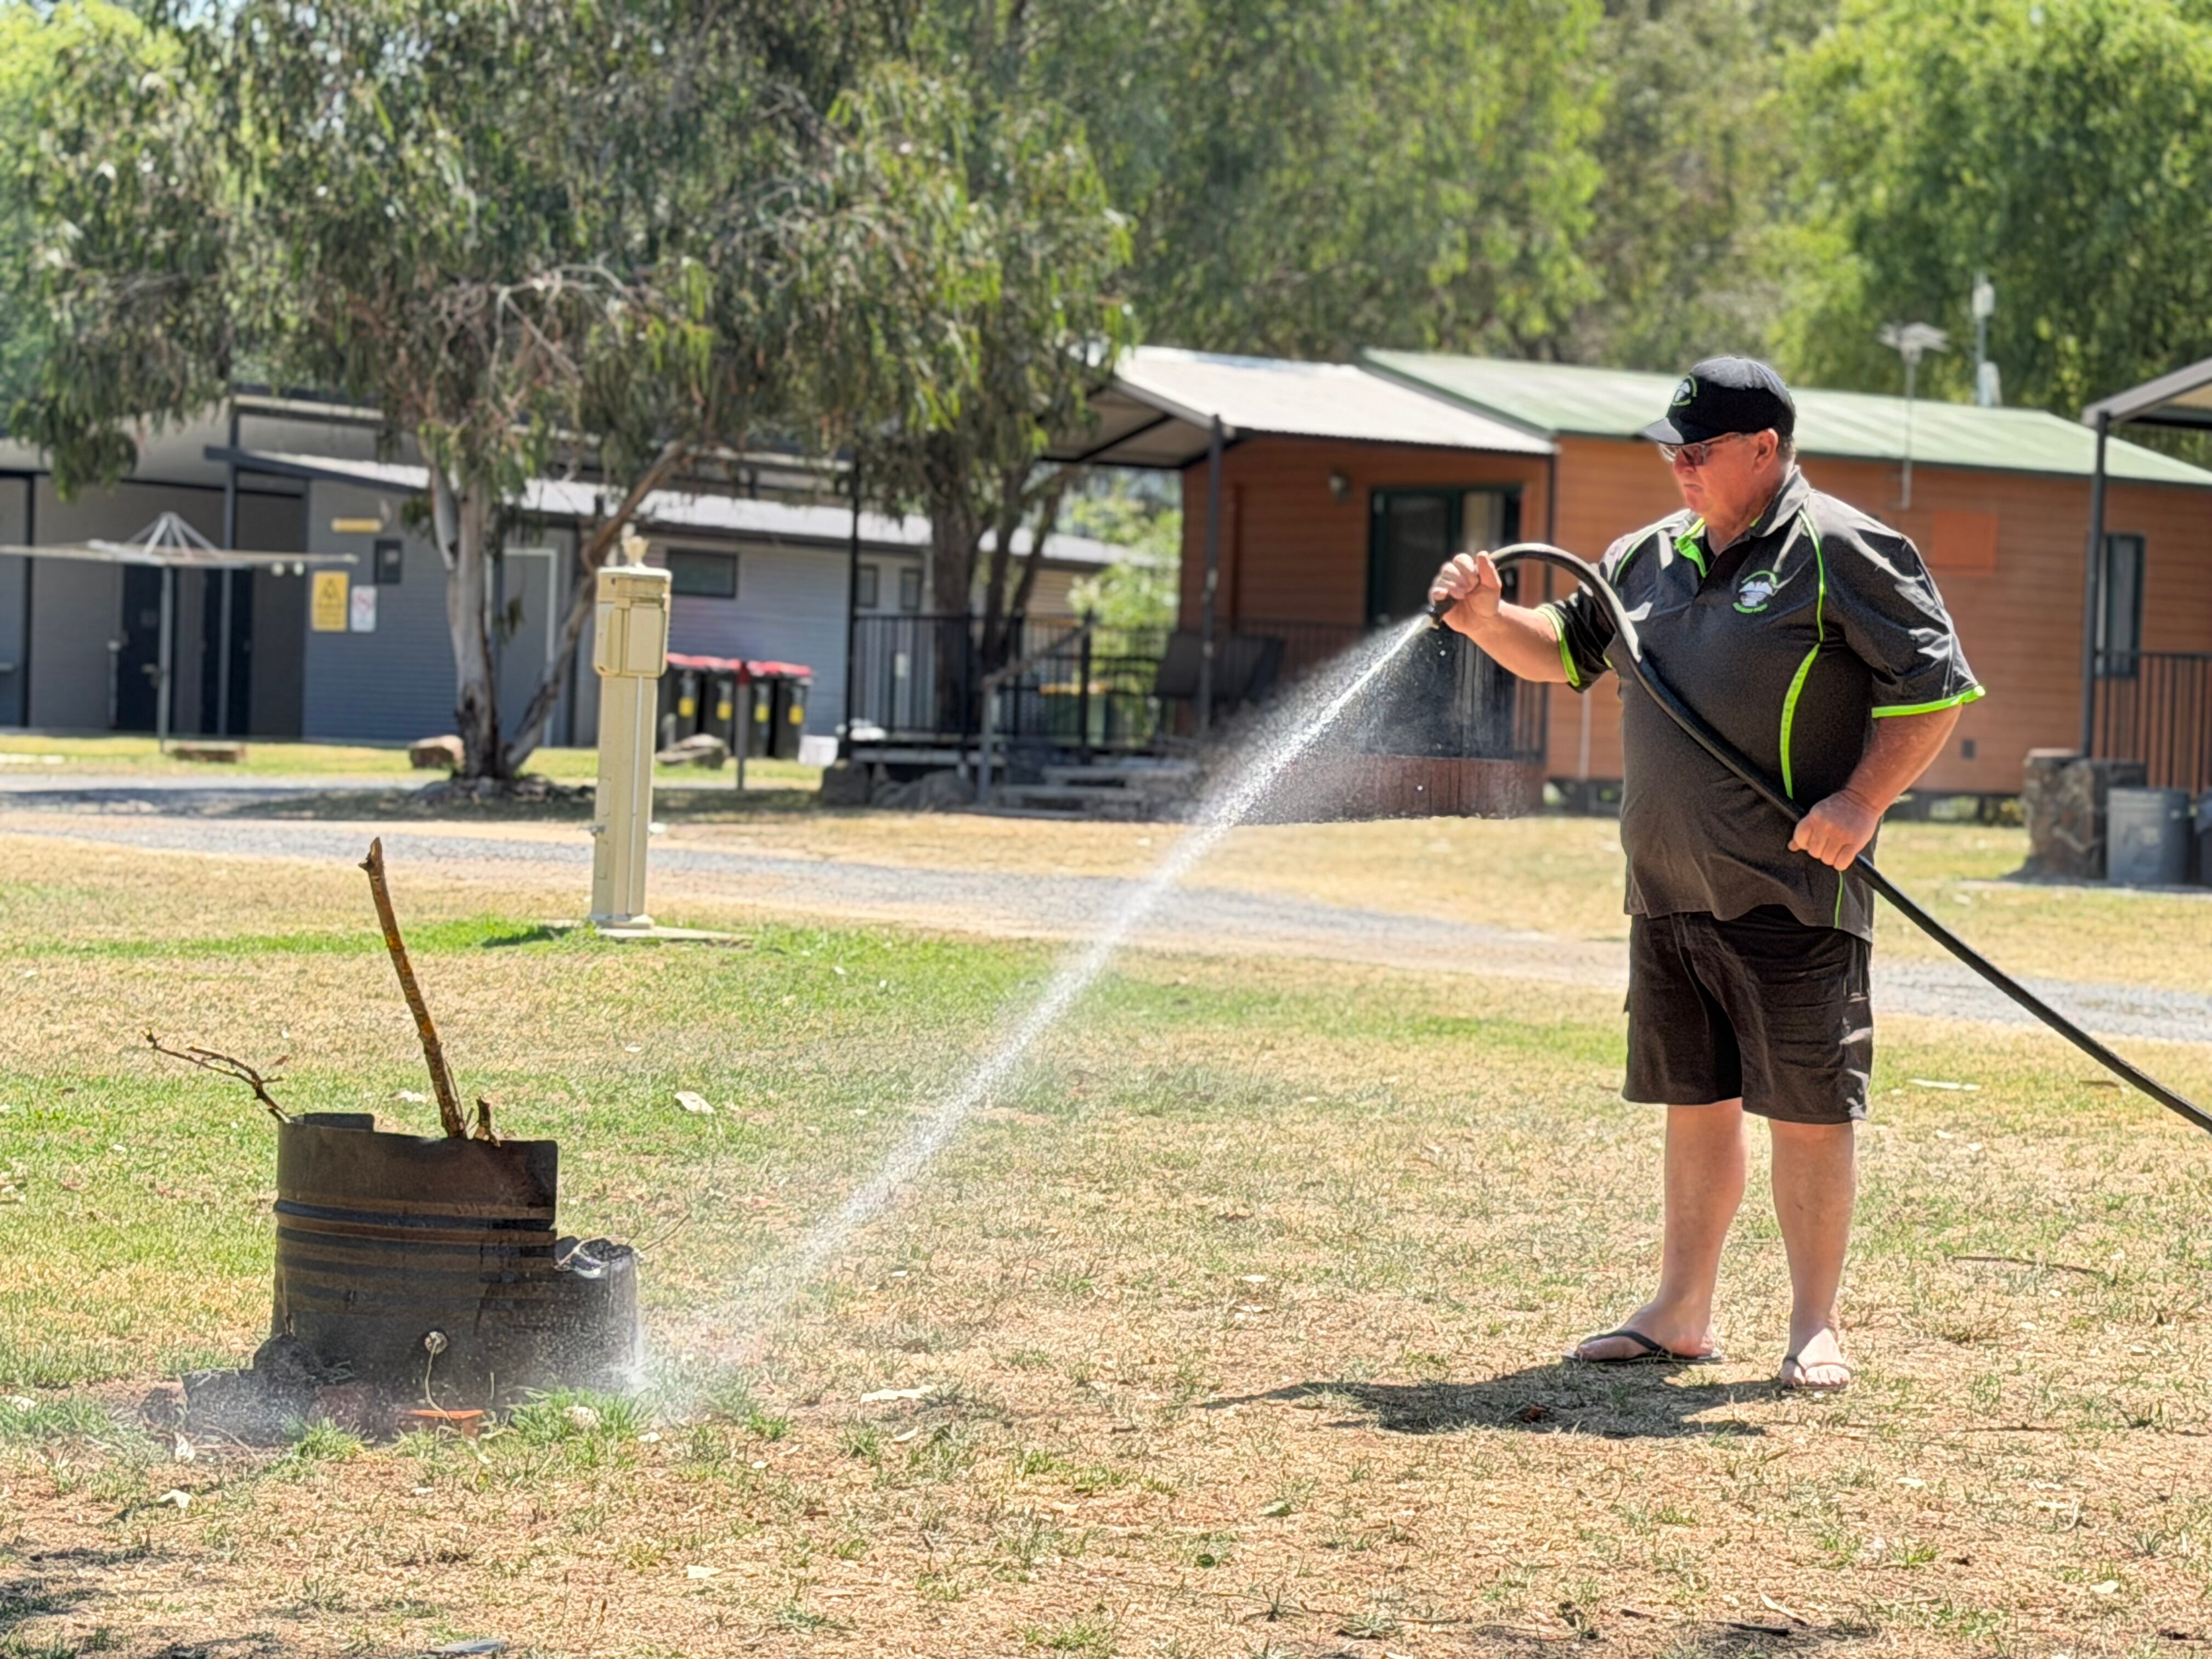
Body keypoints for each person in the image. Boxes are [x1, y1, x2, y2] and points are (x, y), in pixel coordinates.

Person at [1427, 357, 1982, 1390]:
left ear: (1766, 448)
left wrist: (1861, 803)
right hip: (1670, 889)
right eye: (1670, 451)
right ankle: (1681, 1311)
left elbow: (1935, 688)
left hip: (1795, 890)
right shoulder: (1643, 558)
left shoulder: (1847, 549)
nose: (1678, 468)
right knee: (1698, 1100)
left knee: (1811, 1111)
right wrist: (1486, 620)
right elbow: (1563, 648)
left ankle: (1814, 1324)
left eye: (1700, 451)